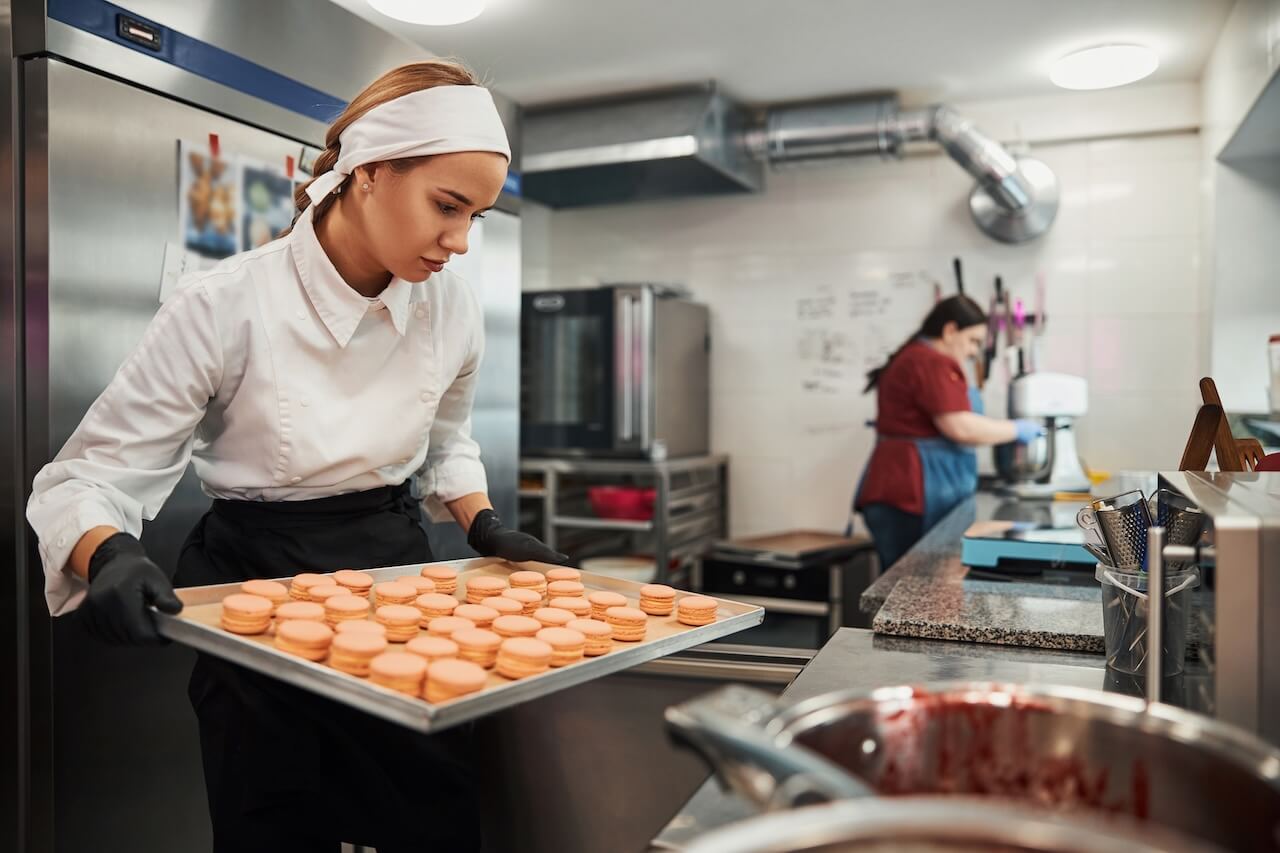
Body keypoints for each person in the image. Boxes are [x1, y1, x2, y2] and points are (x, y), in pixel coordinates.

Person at [26, 60, 565, 852]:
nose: (458, 242)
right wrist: (107, 553)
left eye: (476, 217)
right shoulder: (225, 305)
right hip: (256, 584)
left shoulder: (449, 306)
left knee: (429, 813)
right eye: (447, 206)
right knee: (272, 821)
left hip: (394, 583)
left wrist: (482, 522)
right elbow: (89, 474)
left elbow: (446, 439)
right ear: (369, 171)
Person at [852, 295, 1043, 570]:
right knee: (912, 583)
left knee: (911, 581)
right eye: (973, 341)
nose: (973, 352)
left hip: (898, 491)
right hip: (910, 494)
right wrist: (1016, 430)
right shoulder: (930, 361)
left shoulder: (917, 357)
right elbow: (960, 427)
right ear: (950, 330)